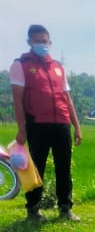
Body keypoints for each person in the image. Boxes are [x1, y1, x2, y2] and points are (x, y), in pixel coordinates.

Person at [9, 23, 83, 221]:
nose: (42, 45)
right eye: (37, 41)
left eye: (45, 41)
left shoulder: (58, 67)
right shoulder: (21, 65)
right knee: (36, 168)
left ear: (50, 42)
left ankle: (65, 208)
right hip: (37, 125)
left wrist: (76, 126)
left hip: (61, 124)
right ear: (29, 42)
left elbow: (67, 98)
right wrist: (21, 129)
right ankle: (33, 209)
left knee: (63, 168)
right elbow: (17, 100)